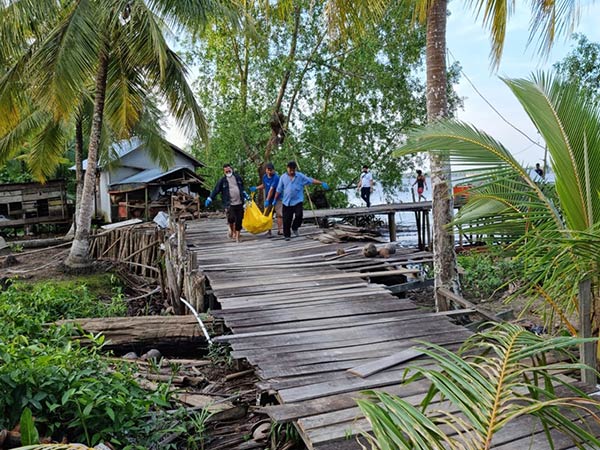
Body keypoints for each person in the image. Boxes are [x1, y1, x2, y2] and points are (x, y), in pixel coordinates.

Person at [274, 161, 329, 241]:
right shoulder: (283, 177)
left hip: (297, 201)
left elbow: (310, 180)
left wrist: (321, 183)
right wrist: (274, 200)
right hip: (287, 202)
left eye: (293, 170)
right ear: (287, 168)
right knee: (286, 220)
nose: (292, 172)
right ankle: (287, 235)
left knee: (299, 215)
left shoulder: (300, 176)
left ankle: (295, 227)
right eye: (290, 170)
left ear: (295, 169)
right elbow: (278, 189)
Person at [205, 163, 247, 242]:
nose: (228, 172)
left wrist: (245, 194)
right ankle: (231, 230)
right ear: (224, 172)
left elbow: (242, 187)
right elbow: (216, 190)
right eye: (226, 171)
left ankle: (237, 236)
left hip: (240, 202)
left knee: (239, 219)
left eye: (229, 170)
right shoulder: (222, 181)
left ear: (231, 169)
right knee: (231, 219)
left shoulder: (238, 178)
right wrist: (210, 198)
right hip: (229, 204)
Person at [250, 162, 283, 236]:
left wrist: (268, 200)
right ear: (266, 170)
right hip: (269, 198)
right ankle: (269, 231)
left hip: (277, 198)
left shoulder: (276, 177)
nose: (270, 171)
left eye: (271, 170)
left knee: (279, 214)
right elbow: (264, 185)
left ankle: (280, 230)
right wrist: (256, 188)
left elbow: (272, 189)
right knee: (267, 214)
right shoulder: (264, 177)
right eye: (269, 170)